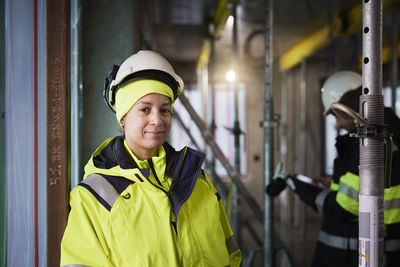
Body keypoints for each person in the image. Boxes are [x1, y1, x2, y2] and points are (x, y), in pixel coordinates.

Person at [60, 50, 242, 266]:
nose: (157, 120)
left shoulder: (198, 182)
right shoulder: (94, 197)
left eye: (164, 110)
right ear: (124, 117)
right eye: (145, 109)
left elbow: (230, 255)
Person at [267, 70, 400, 267]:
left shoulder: (369, 143)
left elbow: (344, 208)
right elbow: (364, 188)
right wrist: (331, 183)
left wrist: (302, 189)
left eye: (338, 115)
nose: (337, 124)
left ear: (350, 107)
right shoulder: (385, 136)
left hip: (355, 255)